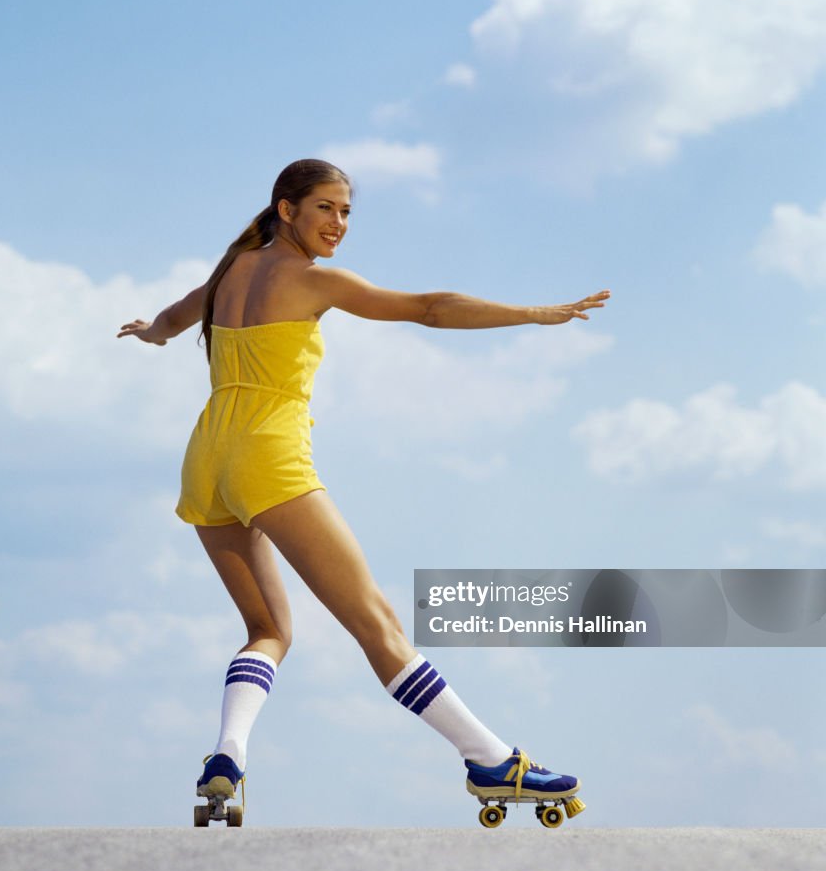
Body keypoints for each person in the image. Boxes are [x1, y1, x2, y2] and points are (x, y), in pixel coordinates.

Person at [118, 159, 609, 825]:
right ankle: (491, 760)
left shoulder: (234, 268)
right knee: (377, 624)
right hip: (268, 459)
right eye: (325, 208)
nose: (339, 224)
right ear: (286, 209)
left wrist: (152, 331)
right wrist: (531, 314)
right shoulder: (314, 282)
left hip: (207, 458)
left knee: (267, 630)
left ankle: (226, 756)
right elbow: (430, 310)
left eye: (347, 212)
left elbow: (178, 315)